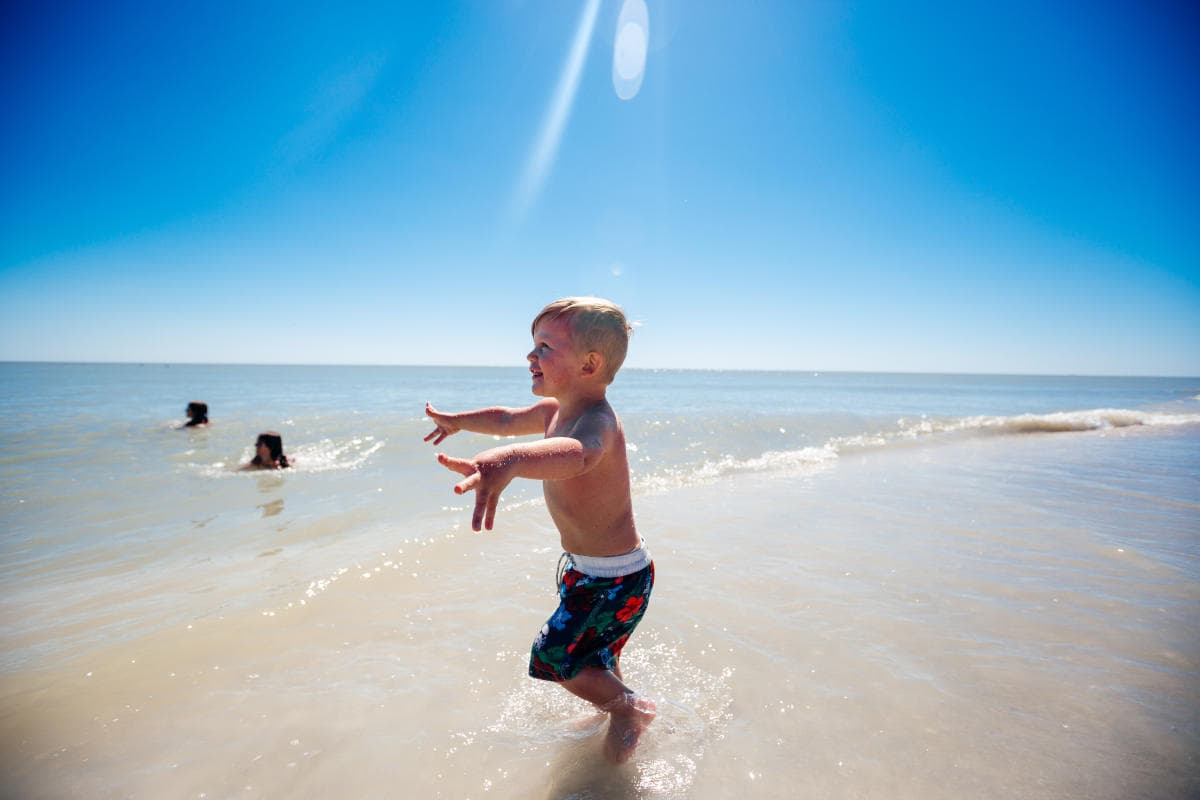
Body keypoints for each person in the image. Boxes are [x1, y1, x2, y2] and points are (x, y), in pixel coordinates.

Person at [425, 297, 655, 763]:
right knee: (595, 654)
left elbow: (577, 455)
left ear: (589, 364)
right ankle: (610, 707)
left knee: (553, 657)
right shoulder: (556, 410)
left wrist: (508, 462)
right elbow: (507, 420)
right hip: (594, 571)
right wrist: (459, 423)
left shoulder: (597, 423)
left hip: (613, 579)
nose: (531, 357)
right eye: (533, 345)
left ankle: (628, 710)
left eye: (545, 347)